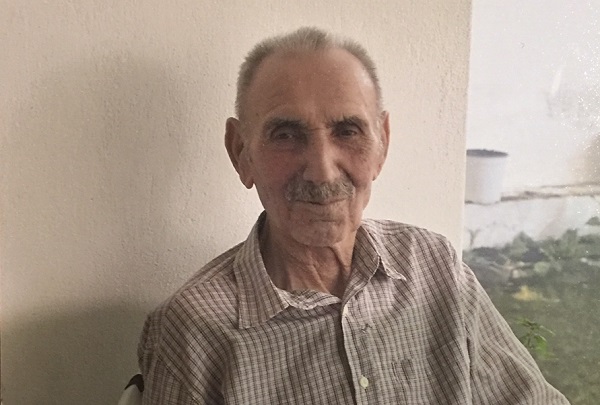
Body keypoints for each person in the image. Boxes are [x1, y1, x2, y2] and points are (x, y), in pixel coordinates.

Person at [138, 27, 570, 404]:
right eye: (286, 135)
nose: (322, 171)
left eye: (348, 131)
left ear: (382, 143)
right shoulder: (193, 331)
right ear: (241, 152)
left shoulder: (435, 267)